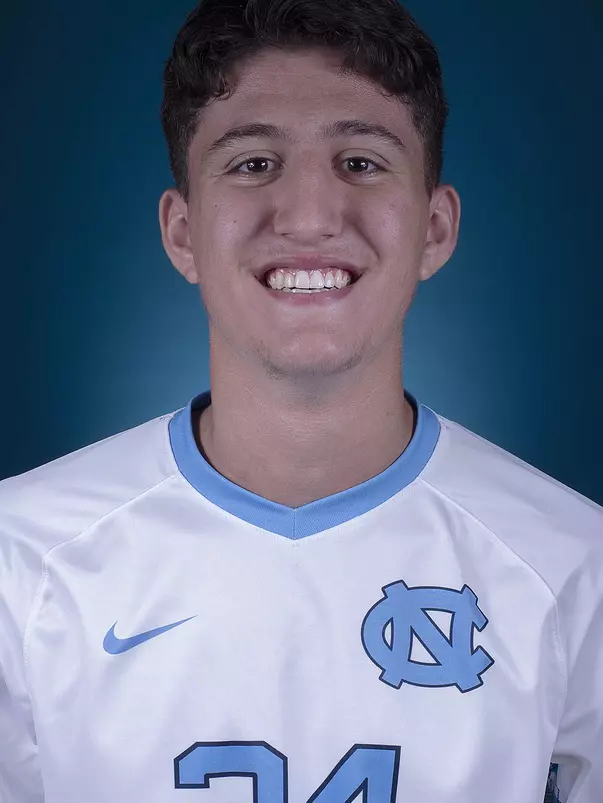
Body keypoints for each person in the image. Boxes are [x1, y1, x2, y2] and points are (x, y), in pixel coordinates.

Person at [0, 0, 600, 800]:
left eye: (360, 161)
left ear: (434, 227)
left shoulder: (573, 566)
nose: (311, 217)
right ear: (182, 232)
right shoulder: (22, 562)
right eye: (253, 163)